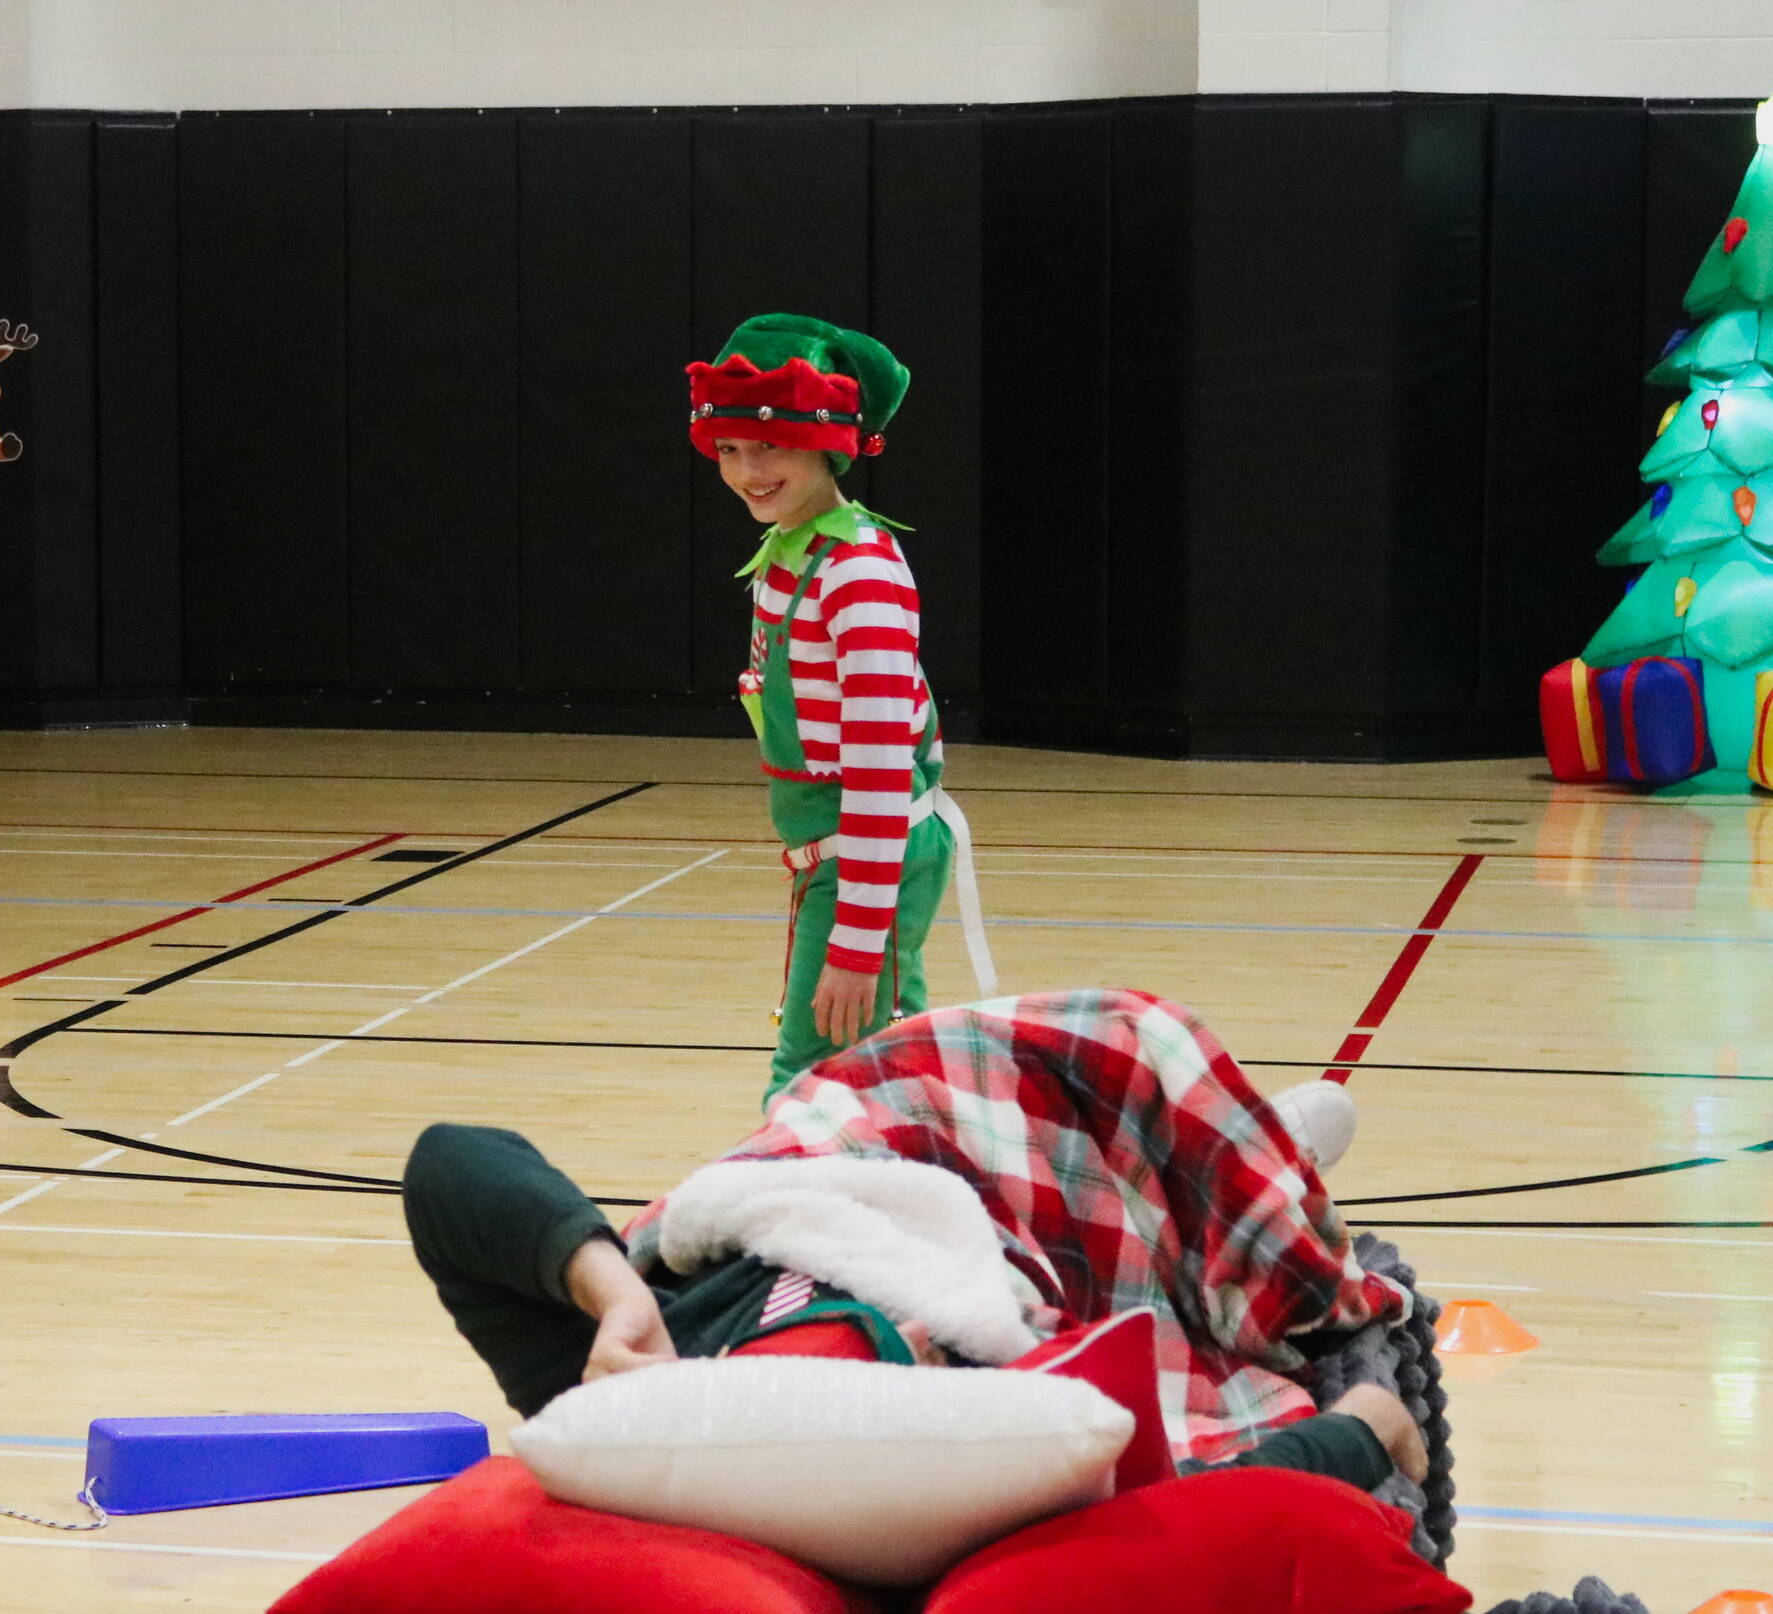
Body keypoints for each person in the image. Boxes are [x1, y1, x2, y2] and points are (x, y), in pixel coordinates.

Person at [402, 988, 1423, 1496]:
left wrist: (614, 1291)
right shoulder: (901, 1481)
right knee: (1186, 1230)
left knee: (1101, 1050)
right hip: (989, 1251)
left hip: (850, 1161)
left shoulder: (595, 1388)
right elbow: (1170, 1524)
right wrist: (1357, 1433)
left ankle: (1261, 1144)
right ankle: (1272, 1157)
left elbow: (449, 1163)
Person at [688, 313, 994, 1107]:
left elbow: (881, 764)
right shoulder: (792, 553)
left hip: (868, 855)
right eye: (728, 449)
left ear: (828, 444)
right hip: (841, 856)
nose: (746, 469)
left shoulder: (856, 571)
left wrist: (858, 938)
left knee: (810, 1087)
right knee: (893, 1074)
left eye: (769, 446)